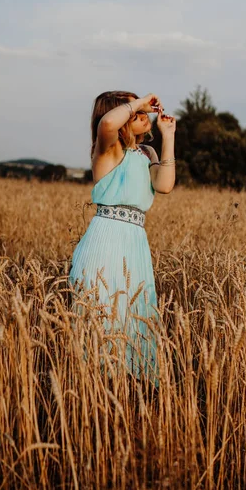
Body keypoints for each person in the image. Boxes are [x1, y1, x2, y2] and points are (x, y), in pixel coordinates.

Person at [69, 91, 176, 385]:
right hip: (105, 241)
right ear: (123, 116)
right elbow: (107, 124)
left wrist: (168, 136)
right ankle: (95, 396)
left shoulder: (147, 154)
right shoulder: (107, 148)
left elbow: (164, 185)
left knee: (136, 320)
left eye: (144, 111)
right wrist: (139, 102)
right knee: (102, 321)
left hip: (135, 244)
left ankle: (129, 399)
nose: (144, 115)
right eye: (136, 111)